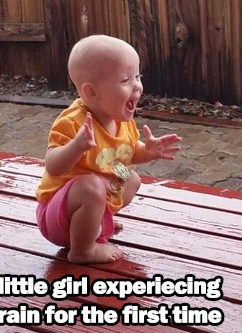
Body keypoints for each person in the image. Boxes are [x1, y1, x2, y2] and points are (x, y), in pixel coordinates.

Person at [35, 35, 182, 264]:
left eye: (137, 76)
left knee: (131, 178)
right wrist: (77, 146)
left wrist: (147, 151)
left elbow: (128, 154)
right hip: (57, 215)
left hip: (87, 201)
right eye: (125, 80)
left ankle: (97, 222)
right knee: (91, 185)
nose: (137, 86)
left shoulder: (122, 121)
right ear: (92, 92)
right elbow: (53, 166)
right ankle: (83, 250)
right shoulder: (74, 123)